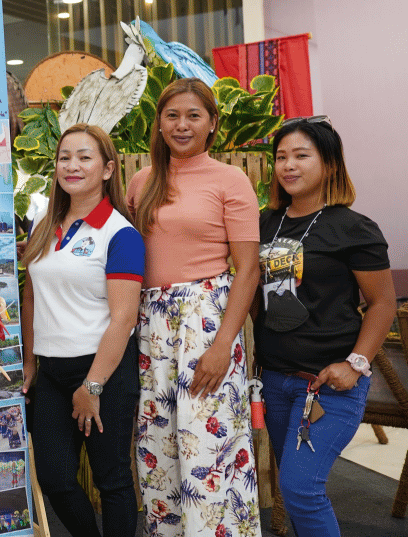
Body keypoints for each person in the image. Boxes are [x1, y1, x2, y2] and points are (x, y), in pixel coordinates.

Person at [125, 78, 261, 537]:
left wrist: (224, 344)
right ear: (159, 123)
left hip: (207, 323)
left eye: (193, 116)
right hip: (151, 325)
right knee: (158, 451)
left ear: (213, 125)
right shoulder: (141, 181)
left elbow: (248, 270)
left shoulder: (231, 179)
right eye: (172, 116)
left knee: (209, 453)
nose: (182, 125)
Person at [255, 116, 395, 536]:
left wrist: (355, 363)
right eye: (281, 157)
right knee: (295, 489)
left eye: (301, 155)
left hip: (328, 384)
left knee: (301, 489)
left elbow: (382, 303)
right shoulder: (264, 222)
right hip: (275, 382)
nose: (288, 166)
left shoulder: (354, 228)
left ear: (329, 164)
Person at [21, 123, 144, 537]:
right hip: (51, 372)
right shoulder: (43, 222)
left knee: (112, 480)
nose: (71, 166)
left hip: (103, 371)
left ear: (108, 169)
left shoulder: (120, 234)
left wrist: (92, 386)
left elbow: (124, 319)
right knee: (55, 479)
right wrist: (28, 364)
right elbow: (31, 296)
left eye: (84, 157)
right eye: (64, 157)